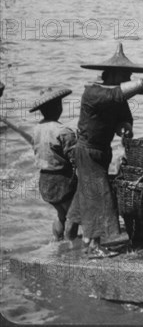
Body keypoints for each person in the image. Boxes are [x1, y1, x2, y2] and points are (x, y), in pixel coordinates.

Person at [68, 43, 143, 259]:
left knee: (87, 194)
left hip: (102, 150)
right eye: (126, 74)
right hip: (88, 151)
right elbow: (115, 96)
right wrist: (142, 84)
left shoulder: (117, 97)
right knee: (100, 196)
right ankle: (93, 245)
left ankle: (79, 237)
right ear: (113, 73)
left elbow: (124, 116)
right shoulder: (93, 93)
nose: (128, 77)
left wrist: (125, 127)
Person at [29, 86, 78, 241]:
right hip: (62, 180)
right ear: (59, 107)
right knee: (73, 215)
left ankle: (58, 242)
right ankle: (70, 246)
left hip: (45, 180)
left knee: (60, 214)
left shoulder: (36, 129)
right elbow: (75, 158)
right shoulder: (64, 131)